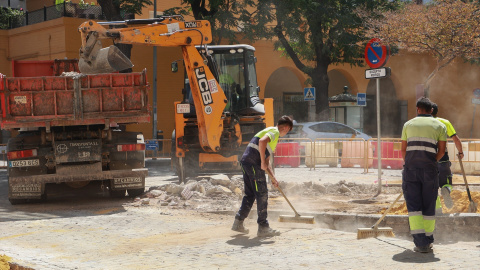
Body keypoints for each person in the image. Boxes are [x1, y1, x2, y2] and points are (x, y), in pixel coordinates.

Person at [231, 115, 293, 237]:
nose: (287, 133)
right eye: (288, 131)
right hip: (253, 163)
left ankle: (238, 222)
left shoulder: (271, 132)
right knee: (262, 194)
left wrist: (273, 178)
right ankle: (263, 227)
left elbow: (267, 159)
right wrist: (262, 162)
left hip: (246, 162)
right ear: (286, 128)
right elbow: (262, 141)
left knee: (250, 195)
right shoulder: (274, 132)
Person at [400, 97, 447, 253]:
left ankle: (420, 244)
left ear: (417, 109)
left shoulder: (408, 125)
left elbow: (403, 150)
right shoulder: (440, 126)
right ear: (431, 110)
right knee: (429, 204)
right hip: (430, 170)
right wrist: (430, 162)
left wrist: (411, 163)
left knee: (414, 207)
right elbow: (441, 151)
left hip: (411, 169)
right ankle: (428, 240)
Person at [432, 103, 464, 210]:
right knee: (447, 183)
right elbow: (455, 139)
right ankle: (446, 189)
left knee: (432, 187)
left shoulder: (422, 124)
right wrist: (460, 152)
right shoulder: (444, 122)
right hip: (442, 158)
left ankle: (437, 209)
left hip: (429, 158)